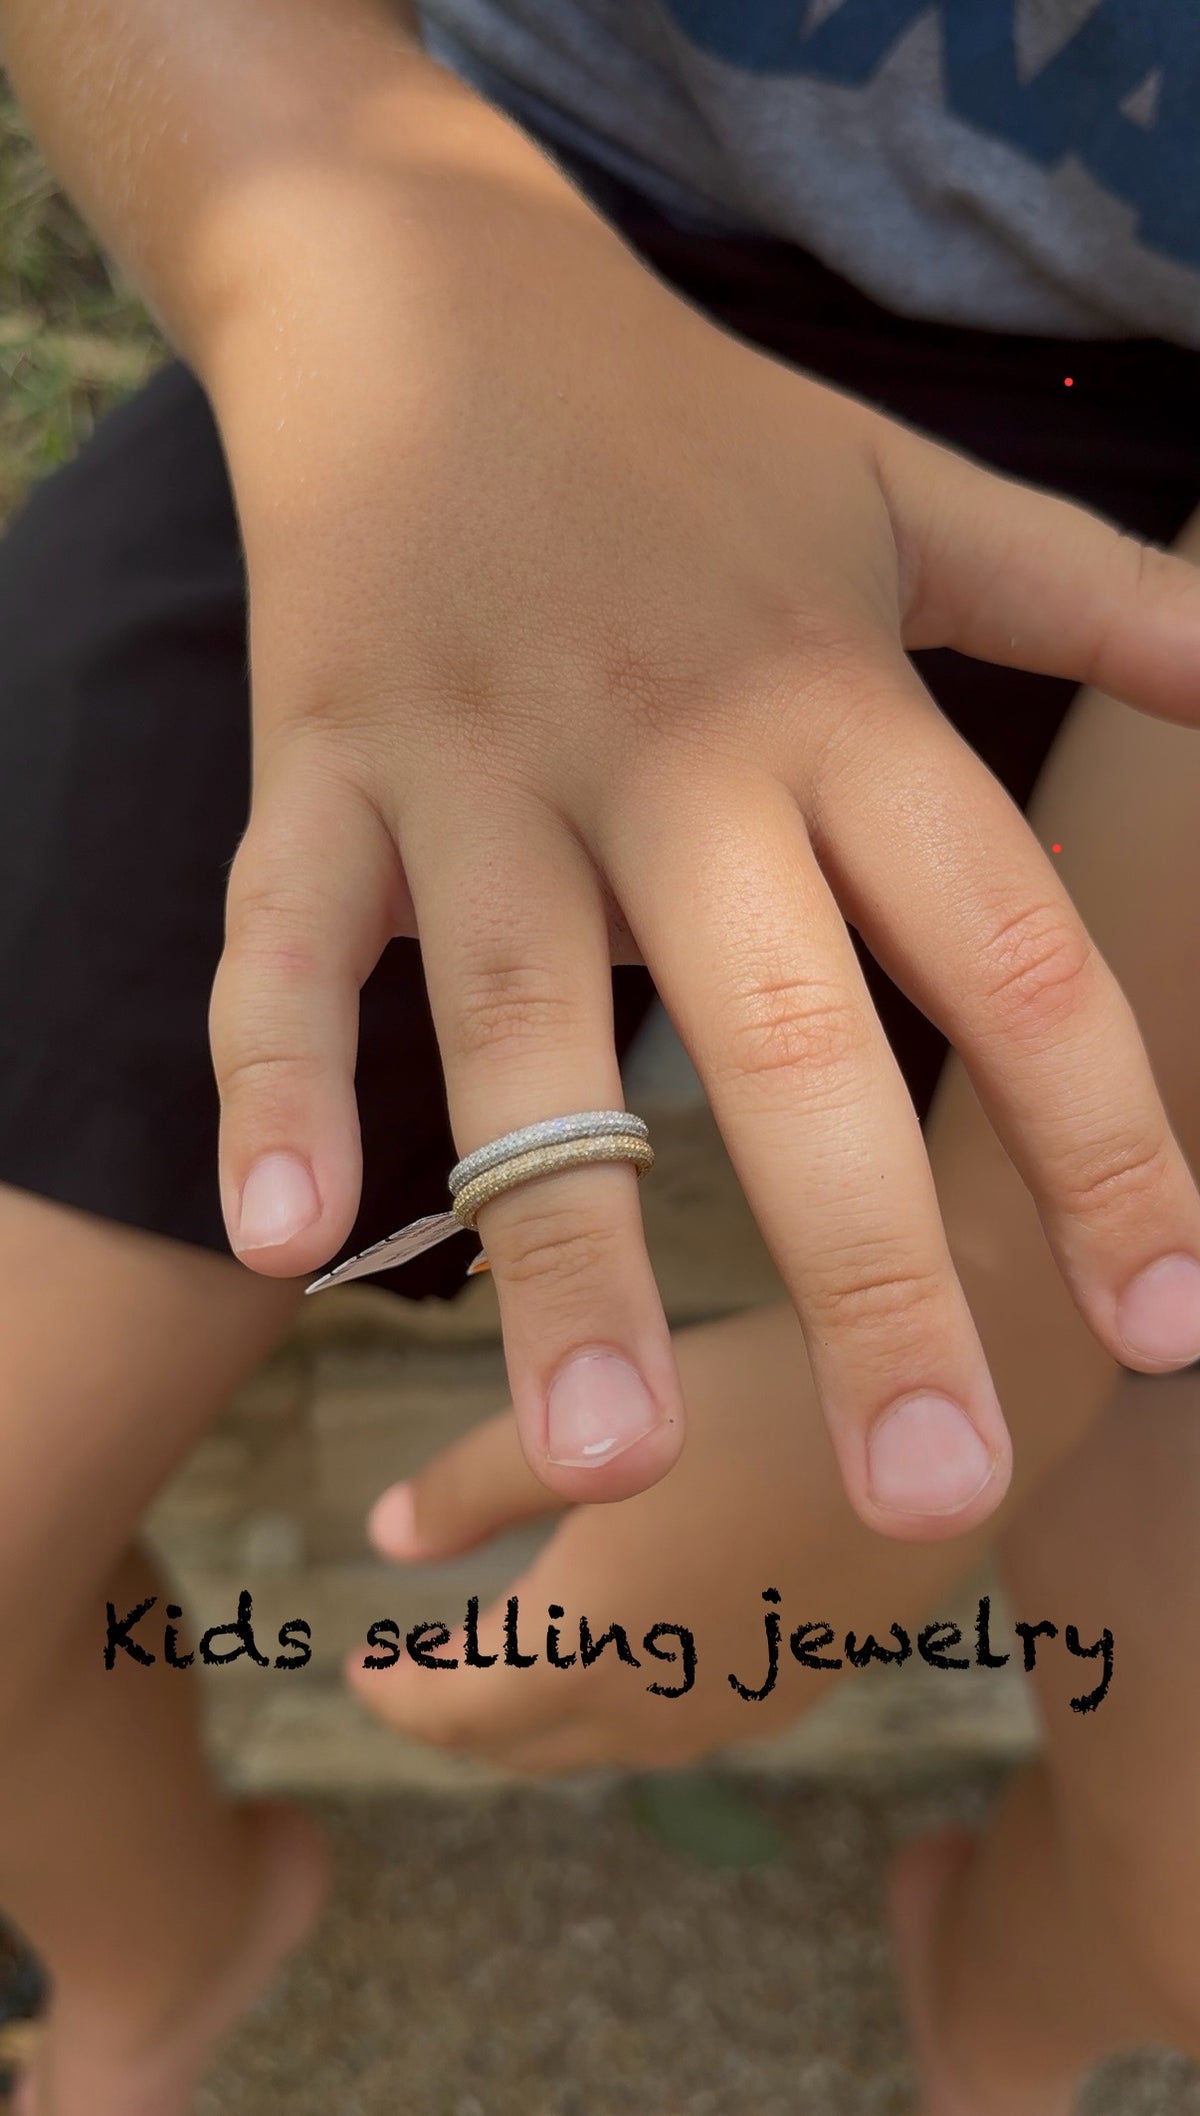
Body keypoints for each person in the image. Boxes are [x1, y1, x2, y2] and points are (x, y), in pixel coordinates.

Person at [0, 0, 1198, 2107]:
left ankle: (1015, 2002)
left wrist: (1012, 1305)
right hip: (457, 264)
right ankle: (161, 1943)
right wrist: (340, 257)